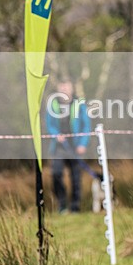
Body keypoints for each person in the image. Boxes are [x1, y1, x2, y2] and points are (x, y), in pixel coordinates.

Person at [45, 79, 91, 213]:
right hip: (59, 147)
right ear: (59, 89)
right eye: (62, 88)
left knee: (76, 178)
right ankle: (62, 205)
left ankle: (75, 208)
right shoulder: (53, 104)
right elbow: (50, 125)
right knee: (56, 174)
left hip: (75, 147)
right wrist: (56, 135)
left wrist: (83, 144)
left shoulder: (79, 104)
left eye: (67, 87)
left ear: (71, 89)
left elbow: (86, 126)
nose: (64, 90)